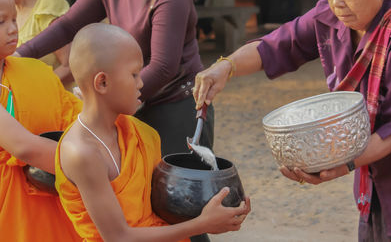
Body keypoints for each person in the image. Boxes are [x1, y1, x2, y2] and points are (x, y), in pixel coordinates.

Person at [193, 0, 391, 241]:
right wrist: (226, 67)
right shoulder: (328, 17)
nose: (337, 2)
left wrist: (342, 164)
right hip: (372, 180)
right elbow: (277, 45)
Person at [54, 23, 250, 242]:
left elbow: (162, 205)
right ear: (102, 82)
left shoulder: (138, 132)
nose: (141, 83)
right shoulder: (81, 152)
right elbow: (118, 237)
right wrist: (201, 224)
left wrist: (225, 207)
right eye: (134, 74)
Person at [16, 0, 214, 158]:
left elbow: (162, 67)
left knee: (173, 192)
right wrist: (17, 55)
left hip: (174, 102)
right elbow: (67, 26)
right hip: (128, 96)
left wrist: (106, 102)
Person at [0, 0, 82, 241]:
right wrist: (93, 166)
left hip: (50, 198)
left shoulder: (35, 71)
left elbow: (76, 119)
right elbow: (24, 147)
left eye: (14, 19)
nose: (13, 29)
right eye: (1, 22)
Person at [11, 0, 73, 86]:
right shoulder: (8, 11)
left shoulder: (48, 6)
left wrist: (35, 89)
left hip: (55, 98)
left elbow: (70, 67)